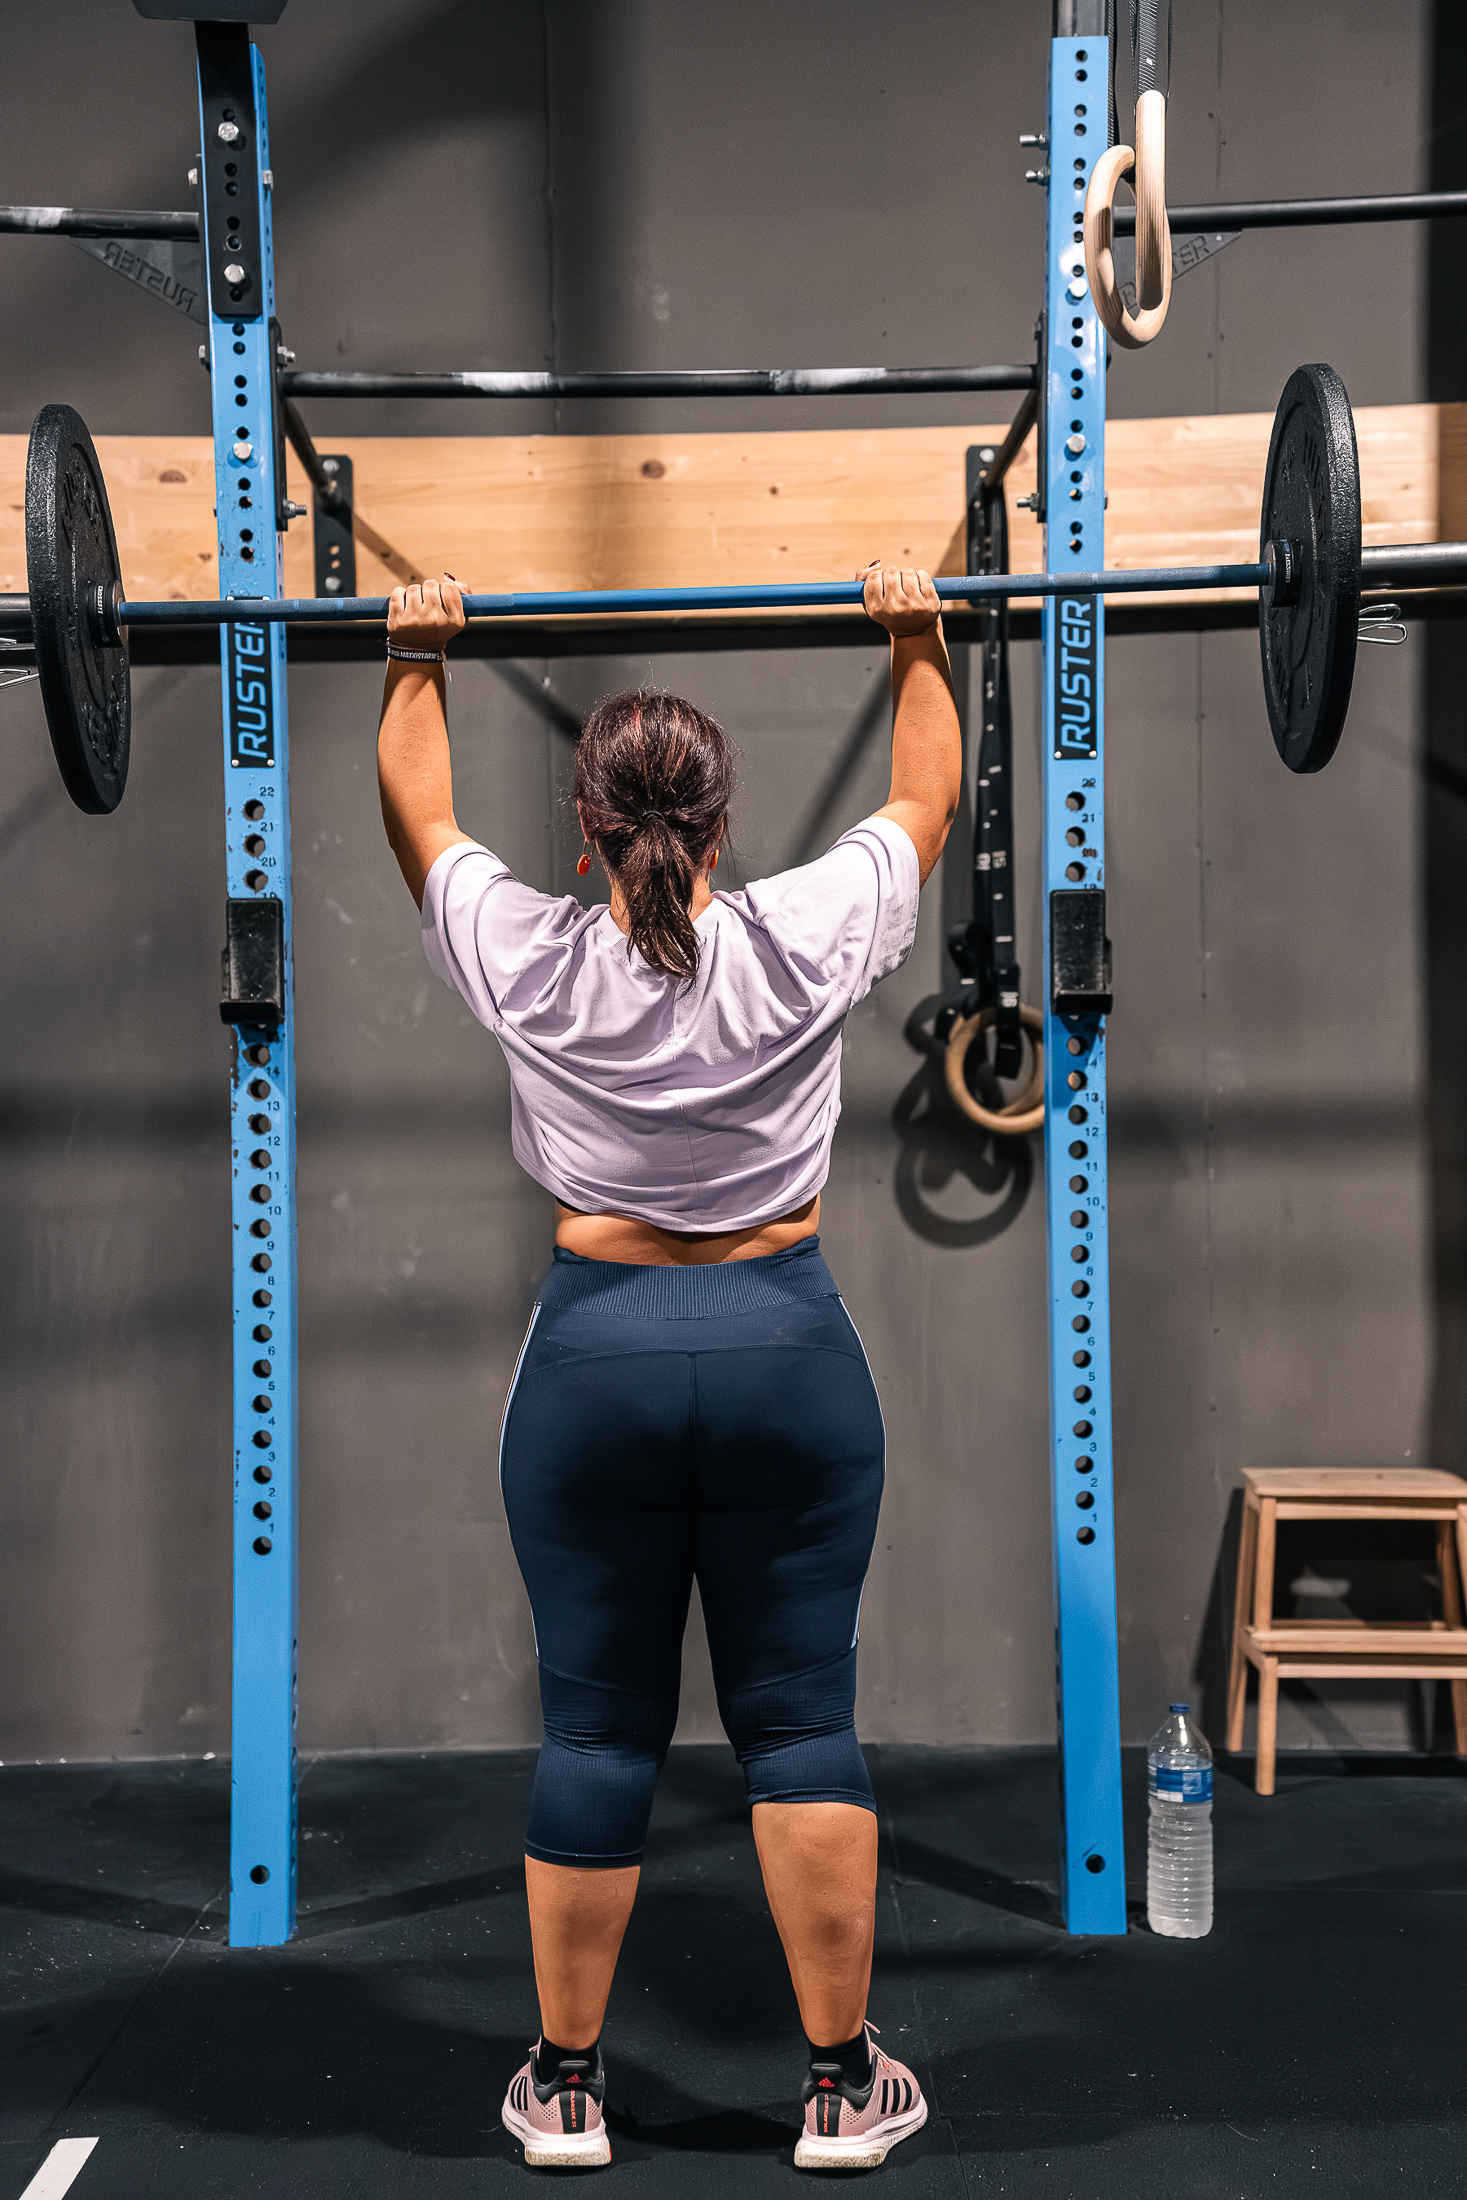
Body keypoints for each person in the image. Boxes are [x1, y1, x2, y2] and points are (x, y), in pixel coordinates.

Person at [376, 563, 961, 2173]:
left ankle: (567, 2089)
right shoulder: (808, 931)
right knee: (801, 1726)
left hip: (598, 1368)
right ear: (720, 826)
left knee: (595, 1734)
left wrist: (415, 659)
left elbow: (419, 817)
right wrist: (917, 634)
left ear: (587, 833)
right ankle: (840, 2089)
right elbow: (926, 793)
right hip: (787, 1359)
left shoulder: (529, 953)